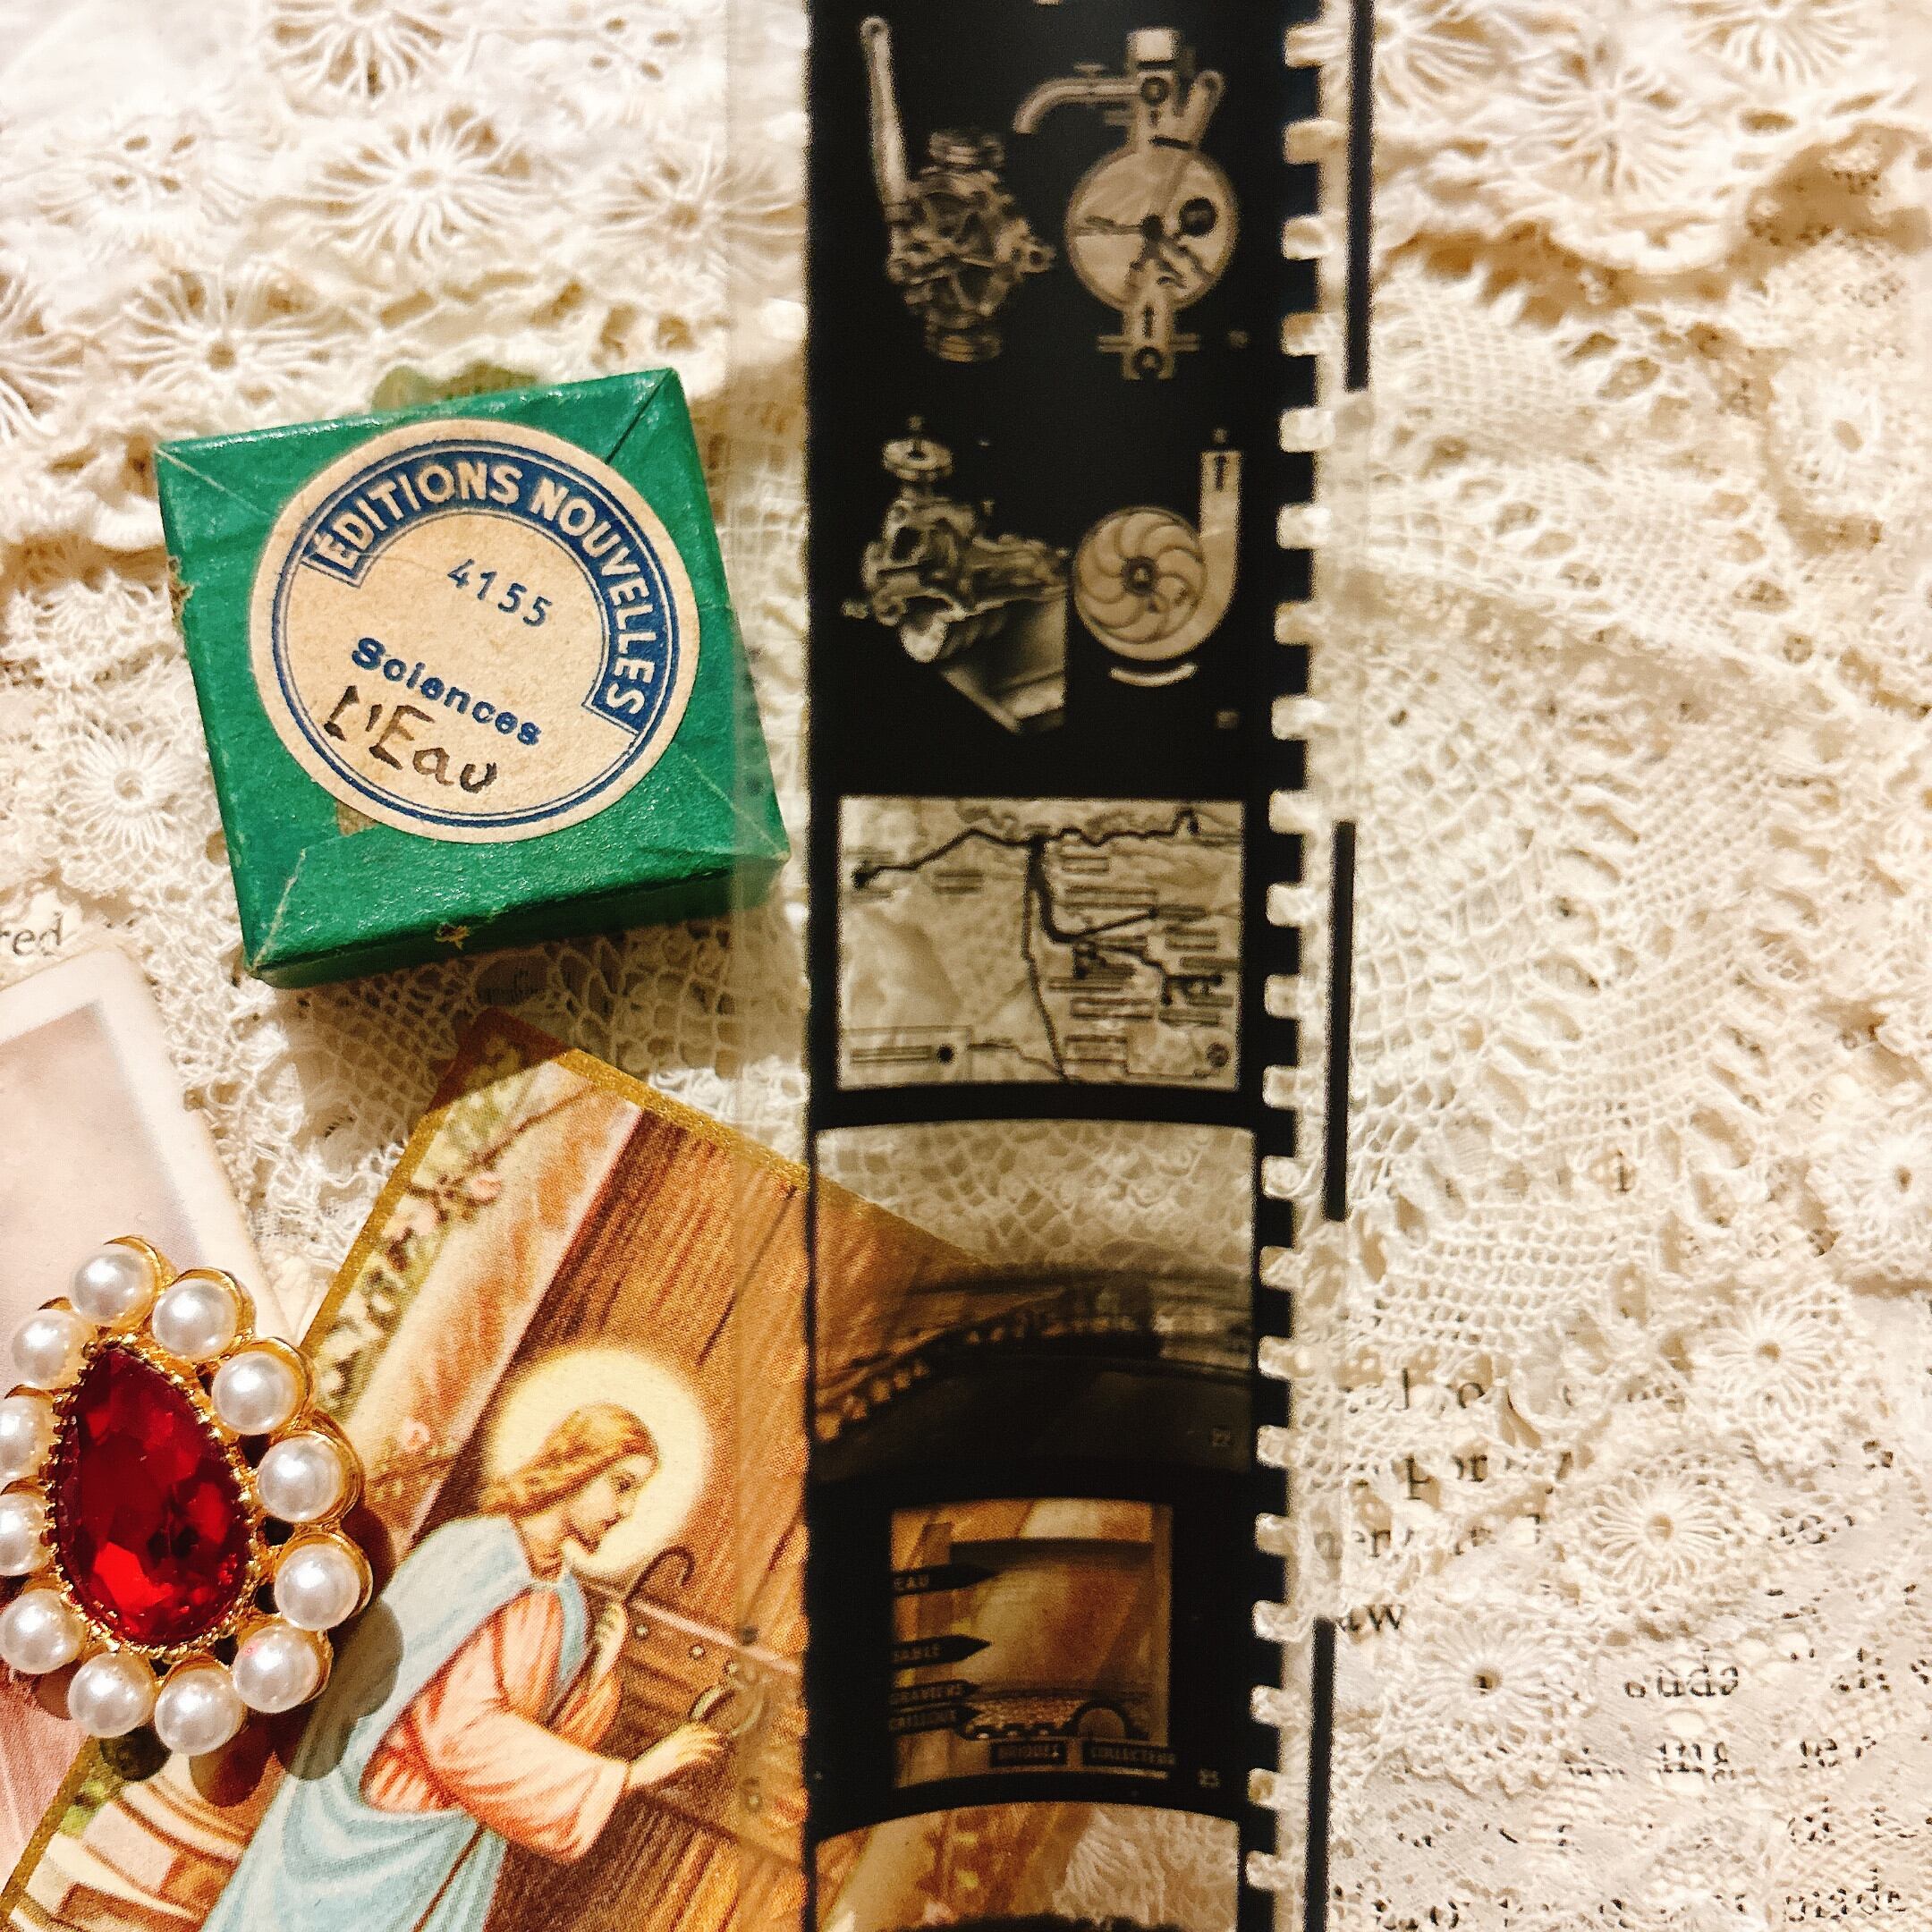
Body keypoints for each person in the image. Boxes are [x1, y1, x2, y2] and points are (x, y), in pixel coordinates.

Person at [203, 1402, 724, 1932]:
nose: (627, 1509)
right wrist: (628, 1777)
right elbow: (456, 1736)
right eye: (622, 1485)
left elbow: (547, 1734)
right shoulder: (471, 1551)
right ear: (580, 1468)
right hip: (380, 1826)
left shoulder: (563, 1598)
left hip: (449, 1838)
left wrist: (596, 1675)